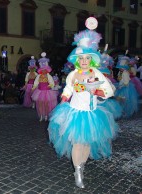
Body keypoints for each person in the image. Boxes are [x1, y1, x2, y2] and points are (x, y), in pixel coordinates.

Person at [47, 17, 119, 189]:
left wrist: (97, 91)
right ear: (77, 60)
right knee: (78, 143)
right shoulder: (73, 75)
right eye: (81, 59)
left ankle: (81, 165)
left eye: (87, 58)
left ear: (92, 59)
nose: (84, 61)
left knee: (86, 143)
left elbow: (109, 90)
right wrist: (64, 97)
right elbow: (69, 90)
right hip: (74, 112)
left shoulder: (96, 73)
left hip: (92, 113)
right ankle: (77, 171)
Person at [31, 52, 57, 121]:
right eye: (42, 70)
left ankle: (46, 115)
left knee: (46, 104)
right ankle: (41, 115)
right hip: (39, 91)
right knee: (39, 104)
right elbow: (36, 82)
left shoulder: (48, 76)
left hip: (47, 92)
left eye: (45, 70)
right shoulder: (39, 76)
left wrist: (50, 85)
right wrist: (34, 87)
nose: (43, 71)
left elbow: (52, 82)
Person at [97, 52, 122, 120]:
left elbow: (112, 88)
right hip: (98, 99)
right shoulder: (96, 79)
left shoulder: (107, 80)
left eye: (104, 74)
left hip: (104, 99)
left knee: (106, 112)